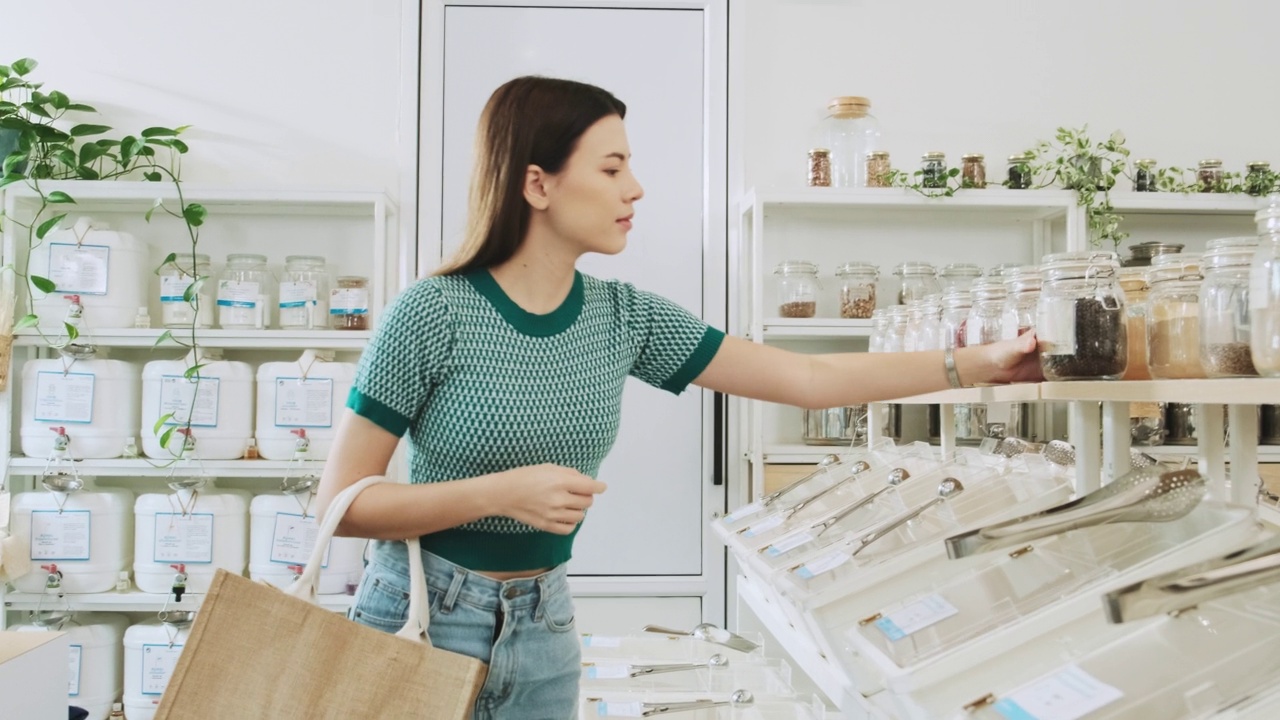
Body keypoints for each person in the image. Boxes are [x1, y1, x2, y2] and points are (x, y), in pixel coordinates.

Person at [316, 76, 1042, 720]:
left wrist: (976, 363)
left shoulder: (623, 317)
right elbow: (341, 504)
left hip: (545, 627)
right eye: (612, 167)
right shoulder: (432, 312)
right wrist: (498, 494)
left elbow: (807, 379)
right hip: (422, 616)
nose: (636, 188)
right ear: (537, 185)